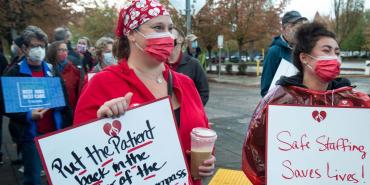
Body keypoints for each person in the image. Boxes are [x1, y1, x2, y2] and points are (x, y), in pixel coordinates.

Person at [73, 1, 215, 184]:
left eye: (170, 28)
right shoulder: (101, 83)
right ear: (131, 33)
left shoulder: (186, 84)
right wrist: (101, 124)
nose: (167, 35)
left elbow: (202, 135)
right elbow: (82, 158)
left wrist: (207, 162)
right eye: (158, 27)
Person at [242, 22, 370, 185]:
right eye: (326, 51)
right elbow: (256, 155)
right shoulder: (277, 101)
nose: (335, 58)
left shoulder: (355, 102)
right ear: (304, 58)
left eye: (337, 53)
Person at [1, 25, 72, 185]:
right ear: (25, 48)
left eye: (42, 46)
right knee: (33, 178)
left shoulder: (52, 70)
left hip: (54, 132)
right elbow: (5, 105)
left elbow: (64, 101)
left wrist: (57, 105)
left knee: (58, 176)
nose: (39, 50)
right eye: (34, 46)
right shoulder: (14, 72)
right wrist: (27, 115)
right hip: (30, 135)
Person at [260, 10, 307, 97]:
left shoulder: (303, 51)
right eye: (294, 26)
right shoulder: (274, 51)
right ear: (284, 28)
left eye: (300, 26)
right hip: (281, 105)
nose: (298, 30)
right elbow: (265, 89)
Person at [168, 27, 209, 105]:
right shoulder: (158, 64)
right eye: (193, 41)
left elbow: (203, 92)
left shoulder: (195, 62)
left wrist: (194, 110)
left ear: (180, 39)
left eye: (170, 32)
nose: (165, 36)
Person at [47, 41, 82, 112]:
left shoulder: (74, 69)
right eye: (60, 50)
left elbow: (78, 91)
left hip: (69, 110)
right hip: (51, 110)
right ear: (53, 51)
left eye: (66, 50)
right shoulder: (47, 68)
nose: (64, 52)